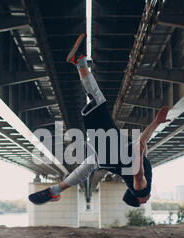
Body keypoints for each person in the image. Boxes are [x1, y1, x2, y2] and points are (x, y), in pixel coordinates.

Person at [29, 33, 171, 207]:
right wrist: (156, 122)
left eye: (142, 203)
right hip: (106, 156)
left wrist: (138, 155)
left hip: (110, 146)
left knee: (97, 100)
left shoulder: (141, 190)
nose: (146, 201)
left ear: (138, 199)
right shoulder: (137, 178)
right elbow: (144, 140)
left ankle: (79, 60)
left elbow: (138, 174)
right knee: (89, 166)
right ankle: (55, 191)